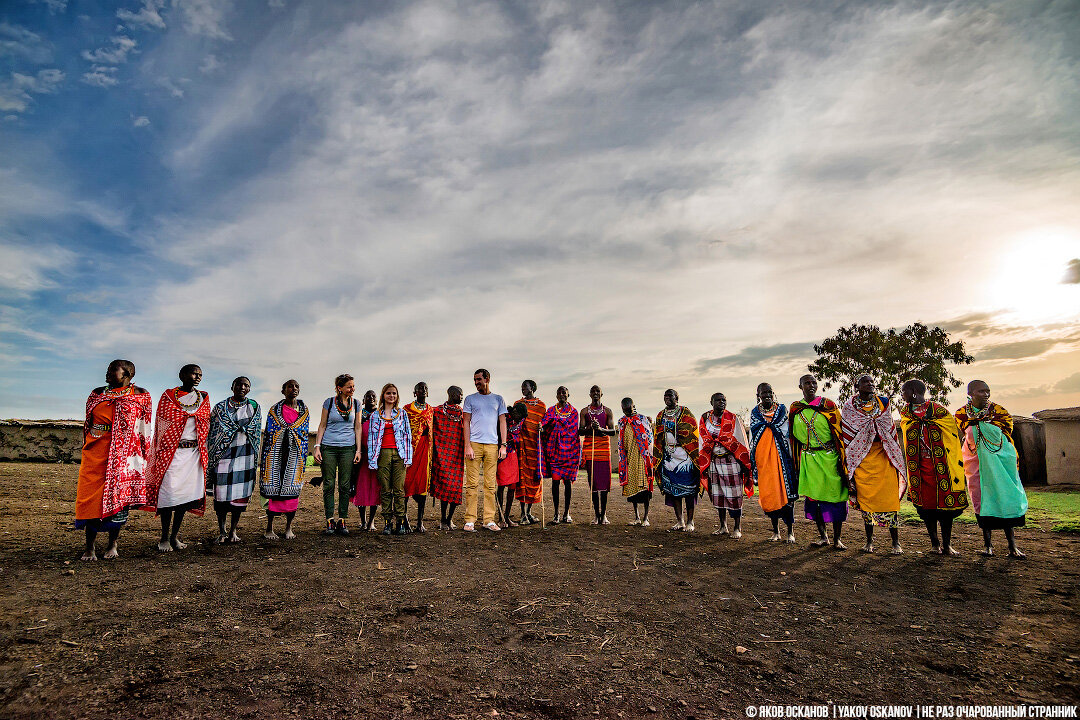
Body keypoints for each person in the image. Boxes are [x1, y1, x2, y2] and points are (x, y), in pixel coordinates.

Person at [75, 359, 152, 561]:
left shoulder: (141, 395)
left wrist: (142, 456)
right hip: (95, 451)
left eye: (112, 370)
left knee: (119, 499)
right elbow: (88, 422)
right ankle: (89, 546)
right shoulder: (97, 393)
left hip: (125, 455)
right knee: (91, 498)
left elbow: (144, 427)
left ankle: (112, 543)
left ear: (127, 374)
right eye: (108, 369)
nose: (107, 373)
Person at [955, 380, 1029, 558]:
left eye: (988, 391)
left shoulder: (999, 412)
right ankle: (987, 546)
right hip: (976, 466)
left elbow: (1007, 436)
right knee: (982, 502)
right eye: (981, 391)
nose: (986, 394)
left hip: (999, 465)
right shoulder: (961, 414)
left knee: (1003, 498)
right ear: (970, 393)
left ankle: (1012, 547)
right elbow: (965, 436)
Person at [146, 364, 210, 552]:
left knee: (184, 497)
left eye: (200, 374)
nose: (197, 377)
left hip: (193, 454)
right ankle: (164, 538)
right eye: (194, 373)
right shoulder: (168, 397)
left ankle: (174, 537)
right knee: (168, 496)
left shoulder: (203, 398)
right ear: (182, 375)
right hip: (171, 453)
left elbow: (205, 423)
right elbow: (162, 423)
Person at [900, 378, 968, 556]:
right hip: (919, 469)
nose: (902, 395)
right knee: (926, 509)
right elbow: (907, 432)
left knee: (946, 509)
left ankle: (947, 545)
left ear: (914, 392)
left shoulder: (939, 411)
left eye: (904, 391)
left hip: (942, 467)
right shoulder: (906, 412)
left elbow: (950, 433)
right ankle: (934, 544)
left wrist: (928, 426)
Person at [842, 375, 908, 554]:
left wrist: (874, 428)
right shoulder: (849, 407)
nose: (870, 384)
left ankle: (895, 542)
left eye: (872, 382)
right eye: (866, 382)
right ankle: (869, 541)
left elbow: (888, 427)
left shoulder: (883, 403)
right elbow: (848, 434)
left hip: (885, 457)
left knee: (889, 501)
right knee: (867, 503)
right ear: (857, 386)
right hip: (862, 459)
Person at [790, 375, 848, 549]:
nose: (811, 385)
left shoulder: (828, 405)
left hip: (829, 458)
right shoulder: (796, 408)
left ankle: (837, 539)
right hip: (809, 459)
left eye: (814, 382)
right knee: (814, 499)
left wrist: (841, 458)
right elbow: (793, 436)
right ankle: (823, 537)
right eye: (807, 383)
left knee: (836, 497)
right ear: (800, 386)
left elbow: (839, 431)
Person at [206, 376, 262, 544]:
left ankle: (233, 531)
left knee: (240, 495)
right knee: (221, 494)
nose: (242, 387)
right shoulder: (220, 408)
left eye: (246, 385)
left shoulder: (254, 407)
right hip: (223, 456)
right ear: (232, 387)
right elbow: (213, 430)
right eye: (239, 384)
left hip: (245, 456)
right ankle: (222, 531)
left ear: (249, 389)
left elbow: (255, 430)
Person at [697, 392, 753, 539]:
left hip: (731, 461)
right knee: (718, 495)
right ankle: (723, 526)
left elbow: (741, 440)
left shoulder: (733, 418)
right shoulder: (705, 419)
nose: (721, 402)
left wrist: (743, 463)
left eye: (724, 400)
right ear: (711, 402)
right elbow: (702, 440)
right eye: (718, 400)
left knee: (734, 495)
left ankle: (737, 527)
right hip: (714, 461)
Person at [314, 374, 363, 536]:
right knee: (328, 483)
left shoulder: (356, 404)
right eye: (349, 386)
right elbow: (322, 425)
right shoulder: (329, 403)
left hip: (348, 448)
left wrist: (358, 450)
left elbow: (357, 427)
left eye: (353, 386)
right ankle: (330, 520)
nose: (352, 389)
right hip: (328, 447)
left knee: (344, 484)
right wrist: (317, 447)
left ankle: (342, 520)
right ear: (339, 388)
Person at [261, 380, 309, 540]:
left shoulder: (304, 411)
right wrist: (285, 432)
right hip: (276, 454)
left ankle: (289, 527)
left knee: (293, 493)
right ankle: (269, 528)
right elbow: (270, 432)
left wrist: (292, 433)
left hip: (295, 455)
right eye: (290, 386)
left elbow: (304, 433)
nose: (293, 389)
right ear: (283, 391)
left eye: (296, 386)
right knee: (273, 492)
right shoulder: (274, 410)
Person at [749, 383, 798, 543]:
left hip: (783, 459)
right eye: (764, 393)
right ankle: (776, 531)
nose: (767, 395)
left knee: (786, 494)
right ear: (758, 395)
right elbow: (754, 437)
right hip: (764, 460)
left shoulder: (782, 410)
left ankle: (790, 532)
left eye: (769, 392)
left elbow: (787, 432)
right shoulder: (755, 413)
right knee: (770, 494)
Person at [462, 369, 508, 532]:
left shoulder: (498, 399)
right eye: (474, 380)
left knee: (490, 485)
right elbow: (466, 422)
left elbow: (502, 422)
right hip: (474, 444)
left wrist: (503, 445)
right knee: (472, 484)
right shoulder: (470, 399)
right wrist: (467, 445)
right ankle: (470, 520)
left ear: (487, 379)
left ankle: (489, 520)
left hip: (492, 445)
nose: (476, 383)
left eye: (479, 379)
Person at [368, 383, 414, 536]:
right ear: (383, 395)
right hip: (382, 454)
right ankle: (387, 522)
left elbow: (407, 436)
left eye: (394, 393)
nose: (391, 396)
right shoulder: (375, 415)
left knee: (399, 489)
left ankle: (400, 522)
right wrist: (372, 459)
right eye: (388, 393)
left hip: (399, 454)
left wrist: (408, 458)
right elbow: (371, 439)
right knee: (385, 490)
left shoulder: (402, 414)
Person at [654, 389, 700, 532]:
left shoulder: (685, 413)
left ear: (677, 398)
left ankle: (690, 521)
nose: (667, 398)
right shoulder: (660, 415)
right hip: (668, 457)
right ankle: (680, 521)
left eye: (670, 396)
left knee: (689, 491)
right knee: (673, 490)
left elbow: (692, 430)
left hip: (685, 456)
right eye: (665, 396)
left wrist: (675, 430)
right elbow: (658, 435)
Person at [541, 386, 581, 524]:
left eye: (564, 392)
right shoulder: (551, 410)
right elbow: (545, 426)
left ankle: (566, 513)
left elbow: (573, 431)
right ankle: (556, 513)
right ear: (556, 396)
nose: (562, 394)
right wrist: (541, 427)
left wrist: (558, 423)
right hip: (555, 451)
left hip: (570, 452)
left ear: (568, 395)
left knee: (568, 483)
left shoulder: (574, 412)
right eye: (559, 393)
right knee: (555, 482)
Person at [430, 386, 466, 530]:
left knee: (455, 489)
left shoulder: (462, 413)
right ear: (451, 394)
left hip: (457, 455)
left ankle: (450, 519)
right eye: (460, 394)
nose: (461, 397)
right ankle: (443, 519)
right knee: (444, 487)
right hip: (442, 455)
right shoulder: (438, 411)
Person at [579, 385, 616, 525]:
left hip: (603, 450)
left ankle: (604, 514)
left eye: (597, 391)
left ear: (602, 394)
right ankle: (596, 515)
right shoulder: (584, 411)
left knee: (604, 483)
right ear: (590, 394)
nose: (595, 393)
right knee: (593, 482)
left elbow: (612, 431)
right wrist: (590, 428)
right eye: (593, 392)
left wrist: (600, 429)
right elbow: (580, 431)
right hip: (591, 449)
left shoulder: (607, 411)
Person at [618, 398, 654, 526]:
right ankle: (637, 517)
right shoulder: (622, 422)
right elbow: (621, 441)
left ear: (634, 406)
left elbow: (650, 438)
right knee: (632, 489)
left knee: (644, 488)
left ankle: (646, 518)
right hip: (629, 459)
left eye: (630, 409)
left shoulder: (643, 419)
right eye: (625, 410)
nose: (628, 412)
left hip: (643, 459)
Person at [403, 382, 434, 533]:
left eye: (425, 389)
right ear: (414, 393)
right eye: (420, 389)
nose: (423, 390)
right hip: (410, 451)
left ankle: (420, 522)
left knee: (422, 483)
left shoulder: (430, 410)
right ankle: (404, 520)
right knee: (406, 483)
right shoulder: (407, 409)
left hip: (425, 450)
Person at [514, 380, 546, 524]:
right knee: (523, 479)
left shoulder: (541, 406)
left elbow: (545, 426)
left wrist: (542, 428)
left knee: (534, 479)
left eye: (525, 387)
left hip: (536, 447)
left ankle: (529, 512)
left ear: (532, 388)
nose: (523, 390)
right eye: (522, 387)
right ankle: (522, 514)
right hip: (522, 446)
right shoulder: (518, 404)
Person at [350, 390, 381, 531]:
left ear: (377, 400)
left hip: (376, 457)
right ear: (363, 400)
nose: (371, 398)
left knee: (375, 489)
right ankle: (363, 521)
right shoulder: (358, 415)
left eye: (373, 396)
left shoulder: (380, 415)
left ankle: (371, 522)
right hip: (361, 456)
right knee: (361, 488)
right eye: (368, 396)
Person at [496, 402, 526, 527]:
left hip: (513, 454)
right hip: (502, 454)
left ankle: (507, 517)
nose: (520, 419)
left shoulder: (521, 420)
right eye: (519, 416)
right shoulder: (504, 418)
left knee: (512, 486)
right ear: (514, 412)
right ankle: (501, 518)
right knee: (502, 485)